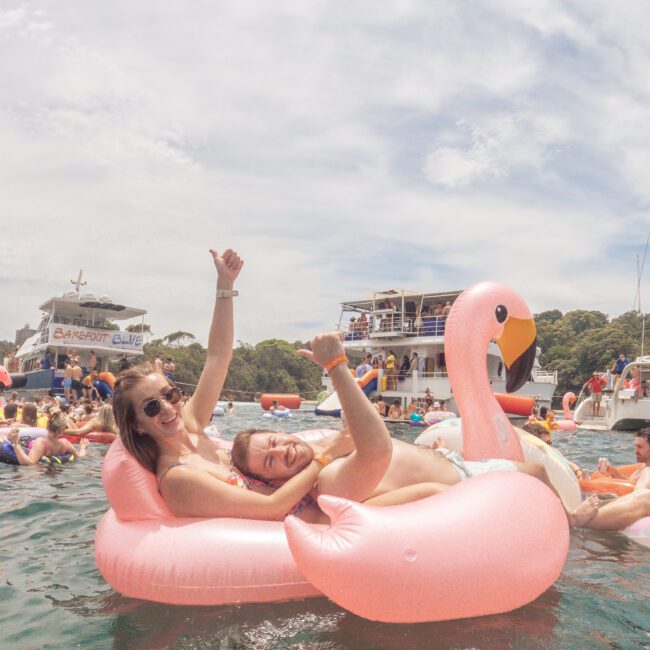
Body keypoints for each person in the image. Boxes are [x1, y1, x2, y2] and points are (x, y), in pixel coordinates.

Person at [232, 331, 600, 526]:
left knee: (535, 470)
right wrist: (337, 366)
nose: (283, 450)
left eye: (275, 441)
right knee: (534, 471)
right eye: (272, 461)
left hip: (450, 460)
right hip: (466, 485)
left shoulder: (325, 454)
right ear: (277, 482)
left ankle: (569, 517)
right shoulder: (326, 483)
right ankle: (572, 522)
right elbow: (378, 449)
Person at [112, 248, 353, 523]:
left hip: (316, 495)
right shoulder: (178, 478)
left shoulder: (191, 426)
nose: (167, 407)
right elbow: (271, 508)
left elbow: (217, 357)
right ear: (137, 425)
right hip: (312, 520)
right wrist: (326, 456)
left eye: (170, 394)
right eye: (152, 406)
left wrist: (225, 286)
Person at [574, 430, 650, 530]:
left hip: (627, 505)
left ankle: (577, 522)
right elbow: (631, 482)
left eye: (640, 447)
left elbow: (637, 497)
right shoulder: (643, 467)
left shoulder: (648, 470)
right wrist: (613, 472)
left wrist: (601, 503)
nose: (635, 451)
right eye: (635, 446)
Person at [6, 410, 88, 465]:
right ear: (62, 431)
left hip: (29, 446)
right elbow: (80, 456)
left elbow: (29, 463)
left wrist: (15, 443)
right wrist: (83, 447)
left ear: (47, 427)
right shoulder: (65, 443)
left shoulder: (41, 443)